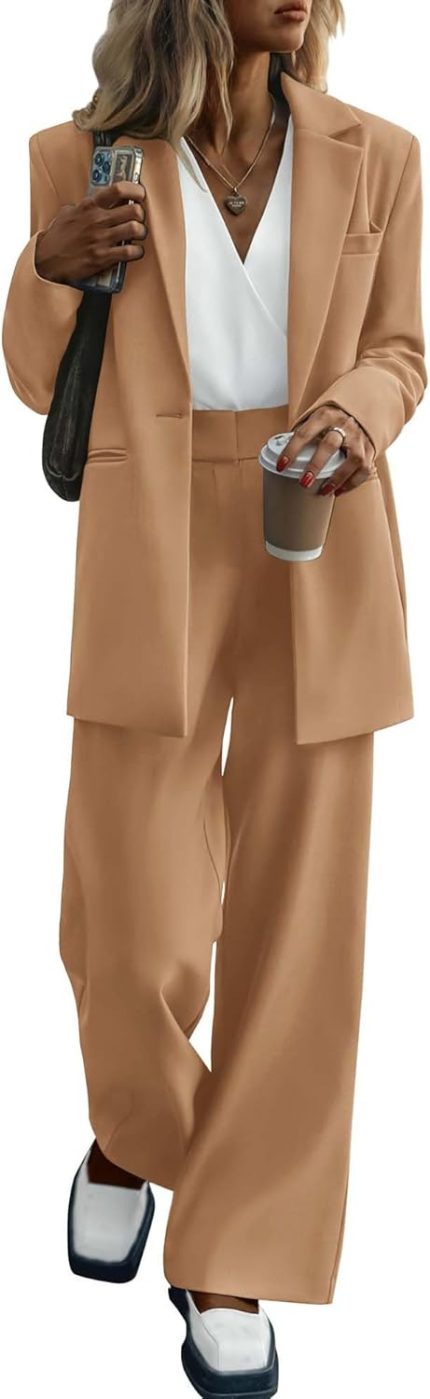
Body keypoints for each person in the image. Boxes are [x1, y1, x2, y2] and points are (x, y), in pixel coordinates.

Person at [2, 2, 427, 1396]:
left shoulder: (380, 152)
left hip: (317, 521)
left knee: (302, 925)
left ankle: (233, 1249)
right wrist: (45, 270)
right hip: (152, 536)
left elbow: (402, 348)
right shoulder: (80, 156)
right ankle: (140, 1129)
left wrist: (355, 415)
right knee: (129, 918)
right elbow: (34, 379)